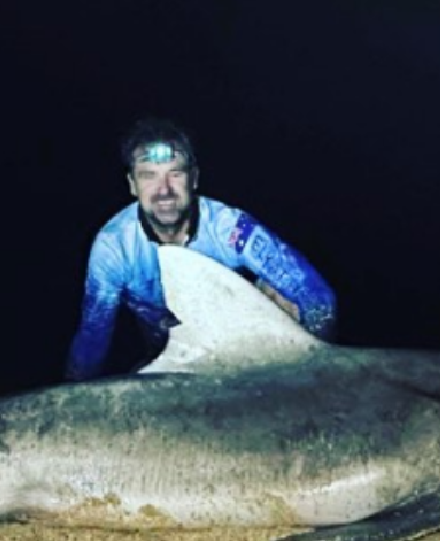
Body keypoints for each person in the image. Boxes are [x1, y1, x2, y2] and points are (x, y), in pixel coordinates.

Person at [65, 118, 336, 381]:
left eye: (175, 174)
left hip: (242, 345)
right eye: (148, 176)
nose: (164, 191)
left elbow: (319, 300)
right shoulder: (113, 247)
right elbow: (94, 335)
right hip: (167, 355)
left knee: (279, 290)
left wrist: (308, 370)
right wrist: (71, 394)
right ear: (132, 185)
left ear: (193, 179)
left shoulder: (231, 230)